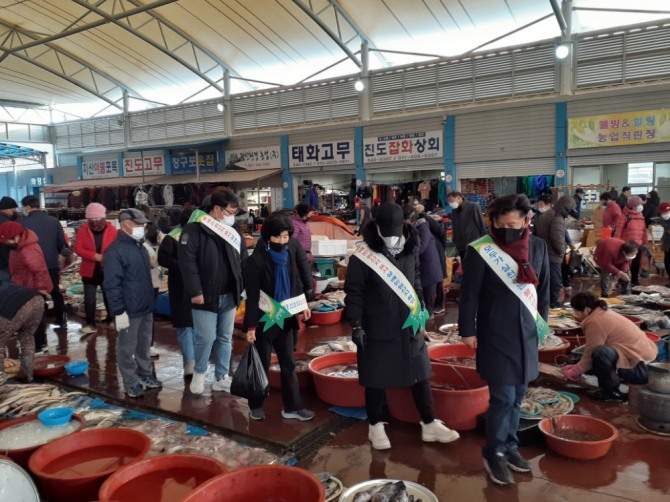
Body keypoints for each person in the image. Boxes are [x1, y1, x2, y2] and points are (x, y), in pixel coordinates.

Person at [345, 202, 460, 451]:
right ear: (375, 227)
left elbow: (416, 280)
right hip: (376, 325)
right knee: (375, 378)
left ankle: (429, 423)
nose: (391, 237)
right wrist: (356, 323)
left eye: (395, 230)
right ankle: (375, 425)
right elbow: (354, 292)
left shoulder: (410, 247)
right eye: (386, 231)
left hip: (408, 324)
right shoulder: (362, 256)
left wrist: (420, 308)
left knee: (420, 374)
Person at [458, 194, 550, 486]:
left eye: (516, 223)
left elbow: (544, 290)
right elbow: (469, 293)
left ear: (526, 220)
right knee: (503, 398)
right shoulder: (481, 250)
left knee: (519, 396)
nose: (510, 228)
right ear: (494, 222)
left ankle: (510, 446)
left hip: (527, 334)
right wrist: (467, 331)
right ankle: (493, 452)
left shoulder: (537, 246)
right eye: (503, 224)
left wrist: (542, 327)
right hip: (496, 332)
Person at [243, 213, 315, 421]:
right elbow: (252, 296)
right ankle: (256, 404)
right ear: (268, 237)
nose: (283, 242)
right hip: (265, 320)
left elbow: (294, 281)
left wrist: (303, 304)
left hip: (285, 317)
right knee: (262, 364)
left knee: (288, 364)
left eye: (286, 237)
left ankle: (292, 407)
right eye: (278, 237)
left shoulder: (289, 253)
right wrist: (250, 327)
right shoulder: (255, 261)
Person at [179, 190, 248, 395]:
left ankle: (222, 376)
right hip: (205, 295)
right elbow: (187, 264)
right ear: (216, 209)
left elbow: (243, 259)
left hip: (230, 293)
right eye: (230, 211)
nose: (232, 215)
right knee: (205, 337)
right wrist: (195, 290)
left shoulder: (233, 230)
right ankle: (200, 373)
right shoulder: (194, 230)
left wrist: (242, 286)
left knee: (225, 337)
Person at [103, 208, 162, 398]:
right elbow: (111, 285)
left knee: (144, 343)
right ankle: (130, 381)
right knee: (127, 347)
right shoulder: (115, 251)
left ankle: (144, 374)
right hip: (128, 309)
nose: (143, 228)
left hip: (145, 305)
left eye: (144, 224)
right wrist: (118, 311)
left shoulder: (140, 246)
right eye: (139, 224)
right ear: (125, 225)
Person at [564, 292, 658, 402]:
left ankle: (610, 392)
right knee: (595, 360)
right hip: (650, 365)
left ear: (586, 310)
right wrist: (577, 365)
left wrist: (575, 370)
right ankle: (612, 385)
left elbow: (590, 353)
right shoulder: (603, 313)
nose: (574, 314)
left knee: (600, 352)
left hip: (642, 370)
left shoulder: (595, 321)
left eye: (576, 311)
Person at [0, 220, 52, 351]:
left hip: (33, 289)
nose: (6, 244)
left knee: (36, 320)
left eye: (8, 241)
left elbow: (39, 270)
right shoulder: (17, 246)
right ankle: (36, 345)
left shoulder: (29, 249)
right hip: (23, 286)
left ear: (17, 236)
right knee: (31, 320)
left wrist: (41, 290)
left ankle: (39, 347)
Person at [158, 207, 196, 375]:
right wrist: (182, 266)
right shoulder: (172, 237)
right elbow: (162, 258)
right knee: (184, 324)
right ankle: (189, 362)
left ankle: (196, 360)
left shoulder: (201, 235)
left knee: (196, 324)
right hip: (180, 286)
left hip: (197, 286)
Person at [20, 196, 68, 327]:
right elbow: (61, 243)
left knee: (37, 293)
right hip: (51, 262)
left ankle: (40, 324)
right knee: (55, 291)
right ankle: (61, 320)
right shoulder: (53, 221)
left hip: (32, 264)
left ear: (27, 207)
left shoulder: (23, 224)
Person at [73, 203, 118, 335]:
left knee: (109, 296)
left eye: (97, 218)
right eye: (92, 218)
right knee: (89, 299)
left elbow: (116, 247)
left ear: (103, 217)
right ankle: (90, 324)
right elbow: (77, 248)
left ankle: (111, 320)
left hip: (108, 270)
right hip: (89, 270)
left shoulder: (112, 230)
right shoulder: (82, 230)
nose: (95, 221)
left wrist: (107, 257)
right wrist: (94, 256)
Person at [534, 195, 575, 308]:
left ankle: (545, 304)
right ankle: (552, 306)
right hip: (553, 255)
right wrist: (562, 251)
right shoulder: (557, 217)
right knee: (555, 282)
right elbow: (557, 237)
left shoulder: (546, 215)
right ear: (566, 207)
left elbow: (535, 234)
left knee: (545, 282)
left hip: (543, 254)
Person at [0, 285, 44, 385]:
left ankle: (0, 380)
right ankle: (27, 373)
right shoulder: (4, 289)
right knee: (27, 335)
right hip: (37, 300)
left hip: (11, 311)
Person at [407, 205, 443, 319]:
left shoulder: (423, 228)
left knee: (429, 293)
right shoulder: (416, 228)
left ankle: (428, 315)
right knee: (424, 291)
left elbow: (420, 247)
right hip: (424, 266)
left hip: (429, 266)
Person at [416, 204, 447, 314]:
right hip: (433, 249)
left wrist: (442, 248)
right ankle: (436, 306)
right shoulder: (421, 224)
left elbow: (441, 232)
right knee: (436, 279)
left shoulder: (425, 222)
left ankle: (438, 305)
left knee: (436, 280)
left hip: (435, 249)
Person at [614, 196, 647, 286]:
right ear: (633, 206)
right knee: (624, 264)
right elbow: (618, 231)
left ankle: (634, 280)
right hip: (627, 245)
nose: (641, 206)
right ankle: (622, 281)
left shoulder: (641, 216)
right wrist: (616, 244)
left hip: (638, 244)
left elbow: (644, 230)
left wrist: (645, 241)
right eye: (639, 204)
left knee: (636, 263)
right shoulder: (624, 216)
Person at [447, 191, 486, 259]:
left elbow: (480, 224)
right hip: (460, 244)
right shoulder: (454, 211)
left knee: (474, 264)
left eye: (451, 200)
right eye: (449, 201)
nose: (450, 203)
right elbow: (454, 225)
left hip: (473, 242)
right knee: (464, 264)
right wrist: (455, 240)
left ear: (458, 198)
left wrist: (484, 240)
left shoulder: (473, 207)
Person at [0, 196, 21, 287]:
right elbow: (11, 243)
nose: (15, 211)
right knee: (6, 289)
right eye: (13, 209)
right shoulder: (6, 222)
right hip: (4, 263)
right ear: (6, 209)